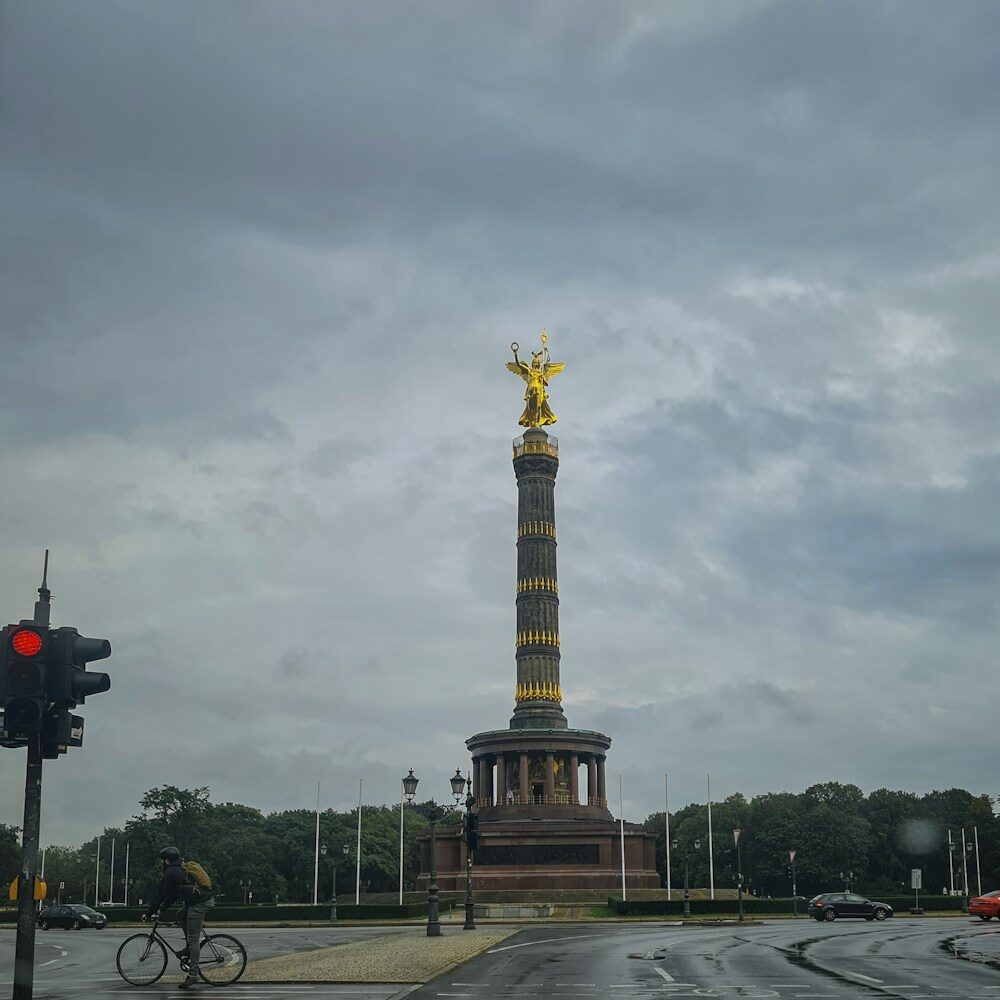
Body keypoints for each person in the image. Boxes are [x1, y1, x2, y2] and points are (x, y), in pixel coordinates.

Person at [143, 846, 215, 990]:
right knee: (180, 915)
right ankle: (189, 948)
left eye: (163, 860)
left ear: (167, 860)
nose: (162, 863)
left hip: (199, 904)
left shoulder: (172, 872)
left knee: (194, 939)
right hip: (199, 901)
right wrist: (162, 909)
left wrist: (150, 912)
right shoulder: (179, 870)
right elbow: (173, 894)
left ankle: (193, 975)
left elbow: (161, 894)